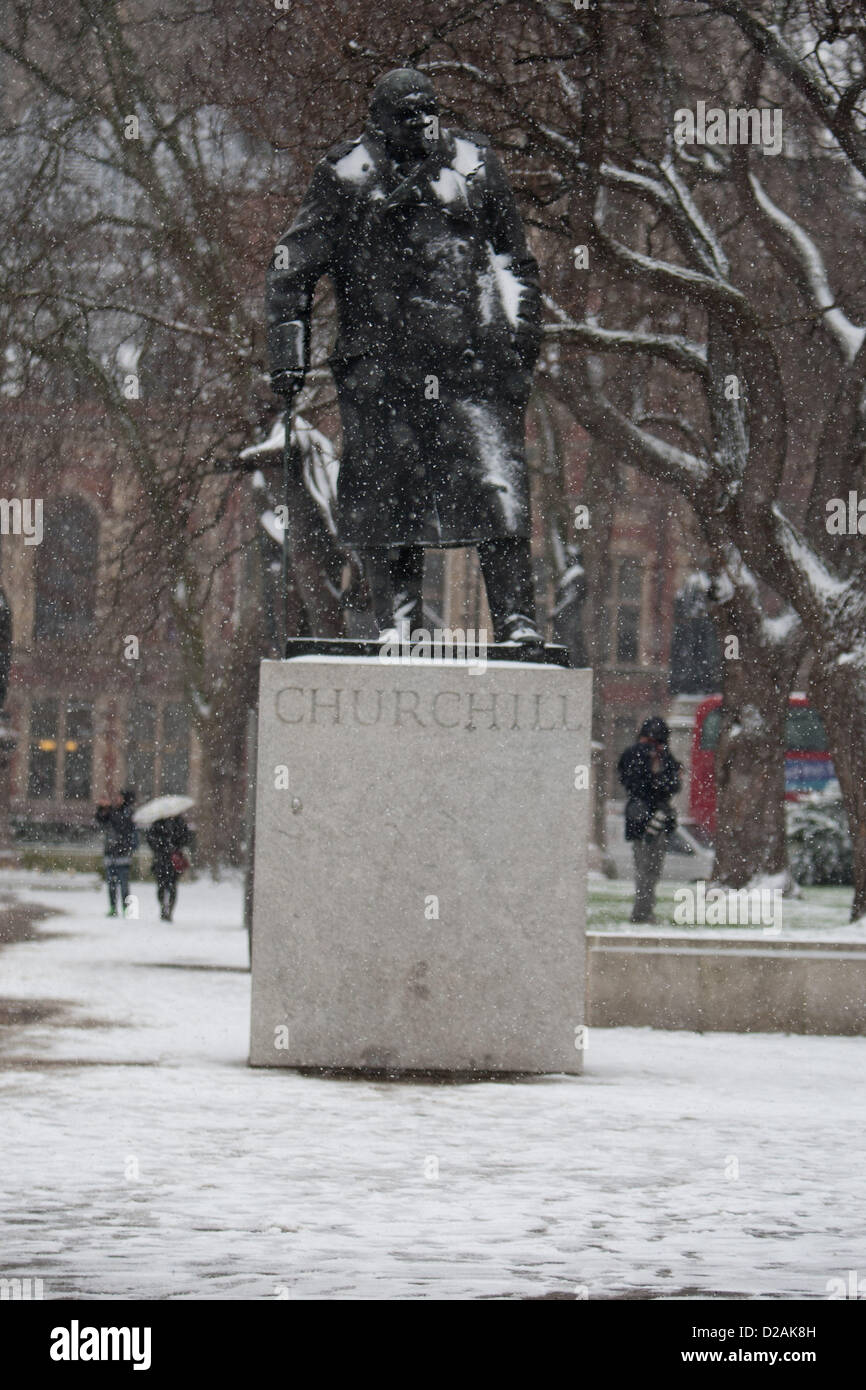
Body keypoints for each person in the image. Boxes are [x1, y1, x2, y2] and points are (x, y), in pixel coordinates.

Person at [266, 67, 544, 645]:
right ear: (379, 122)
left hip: (471, 365)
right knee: (386, 498)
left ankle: (517, 620)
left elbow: (513, 263)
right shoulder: (345, 178)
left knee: (499, 489)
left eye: (428, 110)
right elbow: (291, 266)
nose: (420, 123)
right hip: (383, 371)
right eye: (407, 114)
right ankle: (397, 622)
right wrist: (288, 353)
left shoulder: (474, 164)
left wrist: (519, 348)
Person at [618, 717, 681, 925]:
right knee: (650, 869)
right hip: (655, 816)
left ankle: (643, 909)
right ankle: (643, 911)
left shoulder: (632, 753)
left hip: (638, 817)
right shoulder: (660, 756)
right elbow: (671, 785)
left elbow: (627, 780)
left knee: (644, 868)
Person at [95, 789, 137, 918]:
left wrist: (108, 809)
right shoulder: (112, 812)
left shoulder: (128, 813)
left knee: (124, 884)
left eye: (119, 797)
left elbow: (121, 825)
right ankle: (113, 907)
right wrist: (101, 808)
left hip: (123, 854)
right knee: (111, 884)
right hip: (111, 853)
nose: (116, 800)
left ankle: (126, 908)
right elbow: (100, 819)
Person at [146, 814, 192, 922]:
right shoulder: (157, 822)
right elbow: (150, 839)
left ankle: (169, 910)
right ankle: (163, 906)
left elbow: (186, 837)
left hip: (173, 859)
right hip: (160, 859)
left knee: (172, 886)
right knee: (161, 886)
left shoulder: (179, 822)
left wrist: (175, 845)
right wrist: (161, 846)